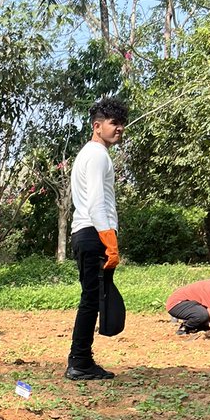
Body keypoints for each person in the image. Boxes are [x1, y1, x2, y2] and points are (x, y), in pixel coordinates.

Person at [66, 98, 128, 381]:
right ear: (97, 126)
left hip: (90, 233)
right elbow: (95, 203)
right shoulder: (97, 155)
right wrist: (109, 240)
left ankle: (81, 359)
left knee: (92, 297)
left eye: (121, 124)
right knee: (91, 299)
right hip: (93, 233)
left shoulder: (92, 154)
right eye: (114, 123)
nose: (120, 129)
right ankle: (79, 361)